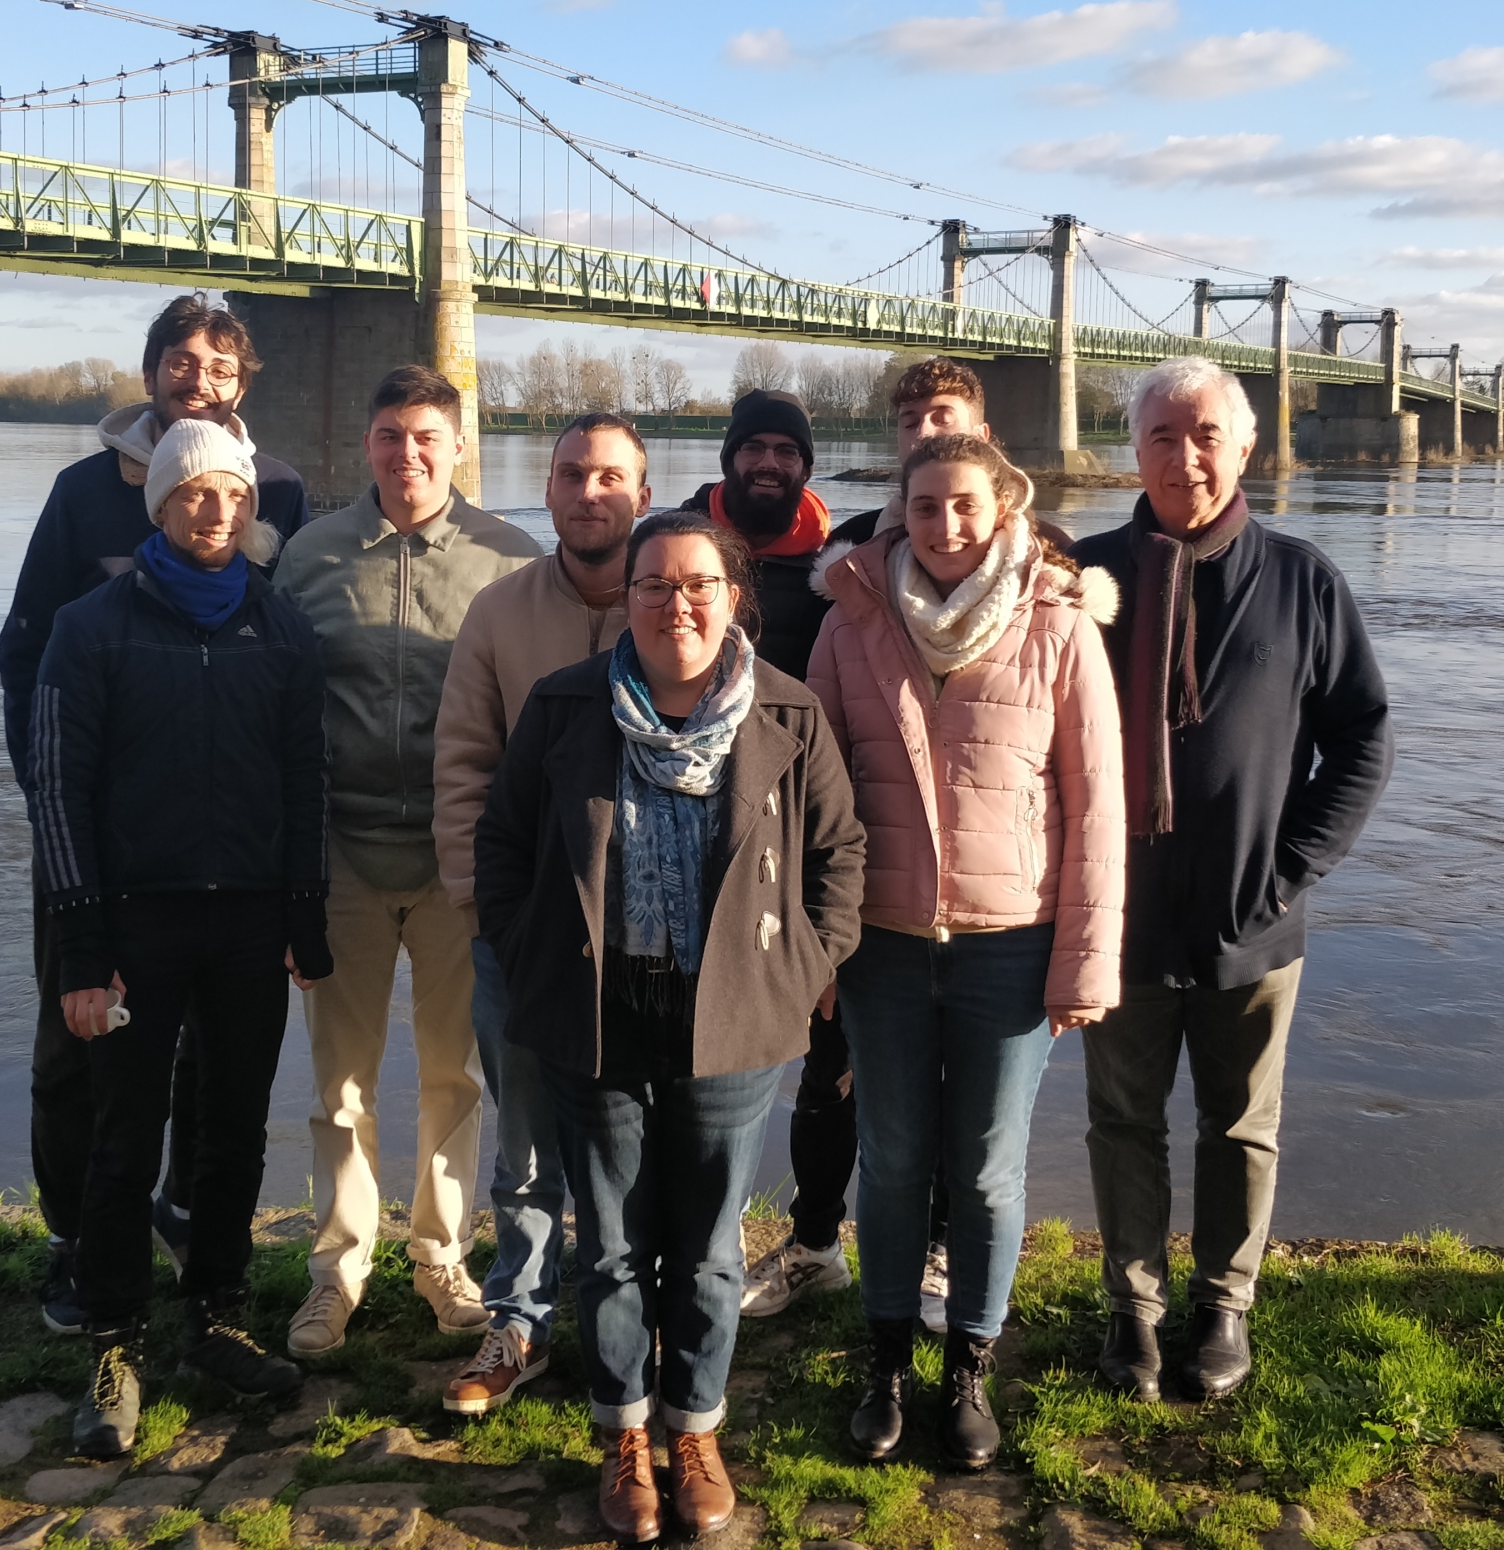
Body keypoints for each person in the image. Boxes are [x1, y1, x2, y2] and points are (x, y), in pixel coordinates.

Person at [475, 510, 864, 1541]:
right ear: (628, 599)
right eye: (653, 584)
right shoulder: (564, 709)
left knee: (705, 1248)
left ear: (734, 595)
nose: (675, 602)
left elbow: (840, 856)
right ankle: (624, 1433)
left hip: (733, 1020)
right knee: (605, 1245)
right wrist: (531, 954)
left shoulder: (790, 712)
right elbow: (502, 844)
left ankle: (694, 1424)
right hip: (595, 1016)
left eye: (697, 582)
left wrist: (807, 967)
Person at [1071, 357, 1392, 1403]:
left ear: (1245, 447)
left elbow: (1361, 739)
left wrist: (1290, 869)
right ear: (1135, 450)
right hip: (1115, 920)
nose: (1185, 456)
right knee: (1121, 1122)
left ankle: (1221, 1306)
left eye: (1206, 434)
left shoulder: (1303, 582)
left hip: (1253, 922)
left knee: (1238, 1124)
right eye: (1162, 435)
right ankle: (1133, 1310)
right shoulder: (1079, 579)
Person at [807, 433, 1124, 1470]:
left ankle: (971, 1367)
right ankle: (886, 1361)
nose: (945, 526)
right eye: (926, 506)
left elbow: (1096, 810)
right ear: (900, 511)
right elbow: (804, 803)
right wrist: (814, 949)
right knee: (893, 1163)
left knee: (985, 1173)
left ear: (1001, 511)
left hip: (1010, 949)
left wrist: (1086, 961)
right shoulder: (851, 620)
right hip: (882, 948)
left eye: (964, 507)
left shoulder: (1058, 623)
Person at [0, 293, 310, 1334]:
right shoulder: (83, 493)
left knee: (209, 1076)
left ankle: (186, 1238)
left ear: (241, 385)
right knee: (77, 1052)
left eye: (220, 365)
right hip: (106, 852)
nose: (198, 378)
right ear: (150, 373)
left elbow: (290, 696)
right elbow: (28, 655)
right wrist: (61, 816)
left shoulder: (285, 494)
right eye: (180, 360)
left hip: (234, 871)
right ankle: (76, 1246)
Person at [28, 417, 332, 1456]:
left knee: (234, 1129)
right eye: (196, 493)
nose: (218, 510)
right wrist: (79, 945)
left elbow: (306, 782)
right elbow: (58, 793)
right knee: (125, 1132)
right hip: (133, 925)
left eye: (234, 495)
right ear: (158, 503)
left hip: (247, 921)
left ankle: (216, 1313)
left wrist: (306, 915)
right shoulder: (91, 625)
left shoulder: (280, 628)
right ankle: (115, 1345)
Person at [747, 355, 1063, 1330]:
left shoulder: (1047, 571)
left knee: (957, 1094)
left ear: (983, 439)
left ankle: (934, 1248)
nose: (927, 431)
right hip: (865, 886)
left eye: (946, 416)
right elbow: (814, 727)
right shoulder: (848, 567)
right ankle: (813, 1244)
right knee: (828, 1070)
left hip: (989, 895)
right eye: (913, 419)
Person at [273, 365, 544, 1359]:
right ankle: (337, 1269)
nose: (408, 453)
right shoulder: (310, 556)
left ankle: (440, 1256)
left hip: (455, 859)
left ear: (459, 445)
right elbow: (273, 710)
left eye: (427, 435)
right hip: (341, 851)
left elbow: (534, 715)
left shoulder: (508, 559)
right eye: (390, 435)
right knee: (338, 1085)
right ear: (367, 447)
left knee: (452, 1074)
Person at [430, 413, 653, 1415]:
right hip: (524, 932)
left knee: (636, 1149)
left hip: (651, 935)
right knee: (522, 1152)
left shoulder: (681, 600)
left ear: (643, 495)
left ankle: (633, 1326)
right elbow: (463, 766)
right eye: (572, 474)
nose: (590, 492)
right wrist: (486, 907)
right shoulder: (497, 612)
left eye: (612, 476)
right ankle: (516, 1323)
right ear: (550, 489)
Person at [680, 388, 829, 679]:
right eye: (753, 448)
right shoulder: (676, 549)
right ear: (728, 462)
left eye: (787, 451)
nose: (768, 463)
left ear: (805, 470)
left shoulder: (834, 571)